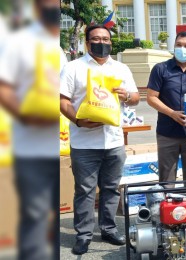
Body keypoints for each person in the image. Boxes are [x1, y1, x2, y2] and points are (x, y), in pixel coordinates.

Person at [60, 24, 140, 255]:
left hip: (114, 141)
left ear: (111, 43)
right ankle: (83, 235)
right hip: (84, 142)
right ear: (87, 43)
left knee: (111, 188)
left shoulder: (121, 68)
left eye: (105, 39)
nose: (101, 43)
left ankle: (108, 228)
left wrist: (129, 96)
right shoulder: (73, 68)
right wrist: (78, 120)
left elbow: (134, 96)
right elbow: (63, 100)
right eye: (96, 39)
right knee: (84, 190)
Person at [0, 0, 61, 259]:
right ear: (36, 8)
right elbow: (4, 87)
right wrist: (27, 116)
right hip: (30, 146)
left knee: (53, 218)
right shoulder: (19, 43)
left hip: (58, 145)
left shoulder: (59, 49)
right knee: (35, 215)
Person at [147, 31, 186, 187]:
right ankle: (168, 209)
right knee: (167, 179)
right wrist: (171, 113)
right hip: (167, 133)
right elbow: (151, 97)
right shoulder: (160, 69)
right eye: (178, 45)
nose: (182, 48)